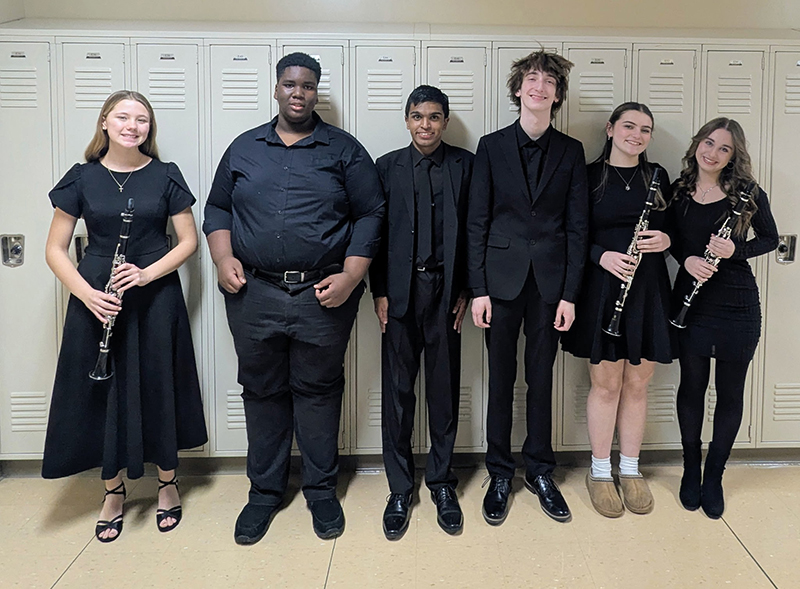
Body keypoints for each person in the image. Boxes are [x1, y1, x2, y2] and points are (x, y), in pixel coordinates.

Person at [204, 52, 383, 544]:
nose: (298, 93)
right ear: (276, 88)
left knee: (318, 391)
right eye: (289, 84)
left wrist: (351, 275)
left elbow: (371, 214)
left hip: (323, 293)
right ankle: (264, 492)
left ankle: (321, 490)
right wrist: (222, 259)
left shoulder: (344, 150)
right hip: (253, 291)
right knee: (261, 390)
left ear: (316, 91)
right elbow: (217, 206)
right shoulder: (244, 148)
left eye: (307, 86)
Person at [41, 90, 208, 543]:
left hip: (154, 296)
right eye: (123, 118)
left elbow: (188, 241)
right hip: (98, 296)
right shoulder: (82, 178)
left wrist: (147, 273)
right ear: (105, 124)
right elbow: (54, 249)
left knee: (159, 381)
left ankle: (168, 483)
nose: (133, 126)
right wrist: (88, 295)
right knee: (105, 392)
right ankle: (112, 490)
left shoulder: (165, 175)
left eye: (142, 120)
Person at [467, 50, 589, 525]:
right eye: (531, 79)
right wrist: (477, 289)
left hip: (551, 286)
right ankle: (499, 471)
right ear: (518, 89)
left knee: (541, 381)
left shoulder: (572, 151)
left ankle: (540, 470)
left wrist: (571, 294)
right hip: (499, 284)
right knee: (500, 380)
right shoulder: (491, 146)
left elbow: (578, 228)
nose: (539, 87)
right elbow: (476, 221)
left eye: (549, 82)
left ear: (557, 95)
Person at [370, 85, 473, 539]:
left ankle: (442, 482)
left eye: (434, 117)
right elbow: (373, 234)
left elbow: (476, 230)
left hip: (446, 293)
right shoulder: (386, 167)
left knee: (443, 392)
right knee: (397, 393)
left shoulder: (465, 166)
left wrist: (468, 289)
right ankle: (399, 487)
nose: (425, 125)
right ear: (406, 120)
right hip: (399, 292)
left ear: (445, 121)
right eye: (417, 116)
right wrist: (378, 292)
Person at [561, 102, 674, 517]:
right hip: (603, 288)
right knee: (606, 384)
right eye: (629, 126)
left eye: (646, 129)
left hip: (648, 290)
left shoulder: (659, 177)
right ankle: (600, 471)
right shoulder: (588, 177)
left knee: (639, 384)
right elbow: (570, 233)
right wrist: (601, 256)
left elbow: (677, 229)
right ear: (610, 129)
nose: (637, 135)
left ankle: (630, 468)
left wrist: (664, 241)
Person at [668, 118, 778, 519]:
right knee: (691, 387)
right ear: (697, 143)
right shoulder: (678, 190)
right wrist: (687, 258)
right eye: (708, 143)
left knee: (730, 395)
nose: (712, 153)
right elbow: (673, 240)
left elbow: (770, 238)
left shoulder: (747, 193)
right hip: (691, 303)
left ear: (734, 156)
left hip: (736, 304)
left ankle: (714, 475)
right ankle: (691, 469)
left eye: (723, 149)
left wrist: (736, 251)